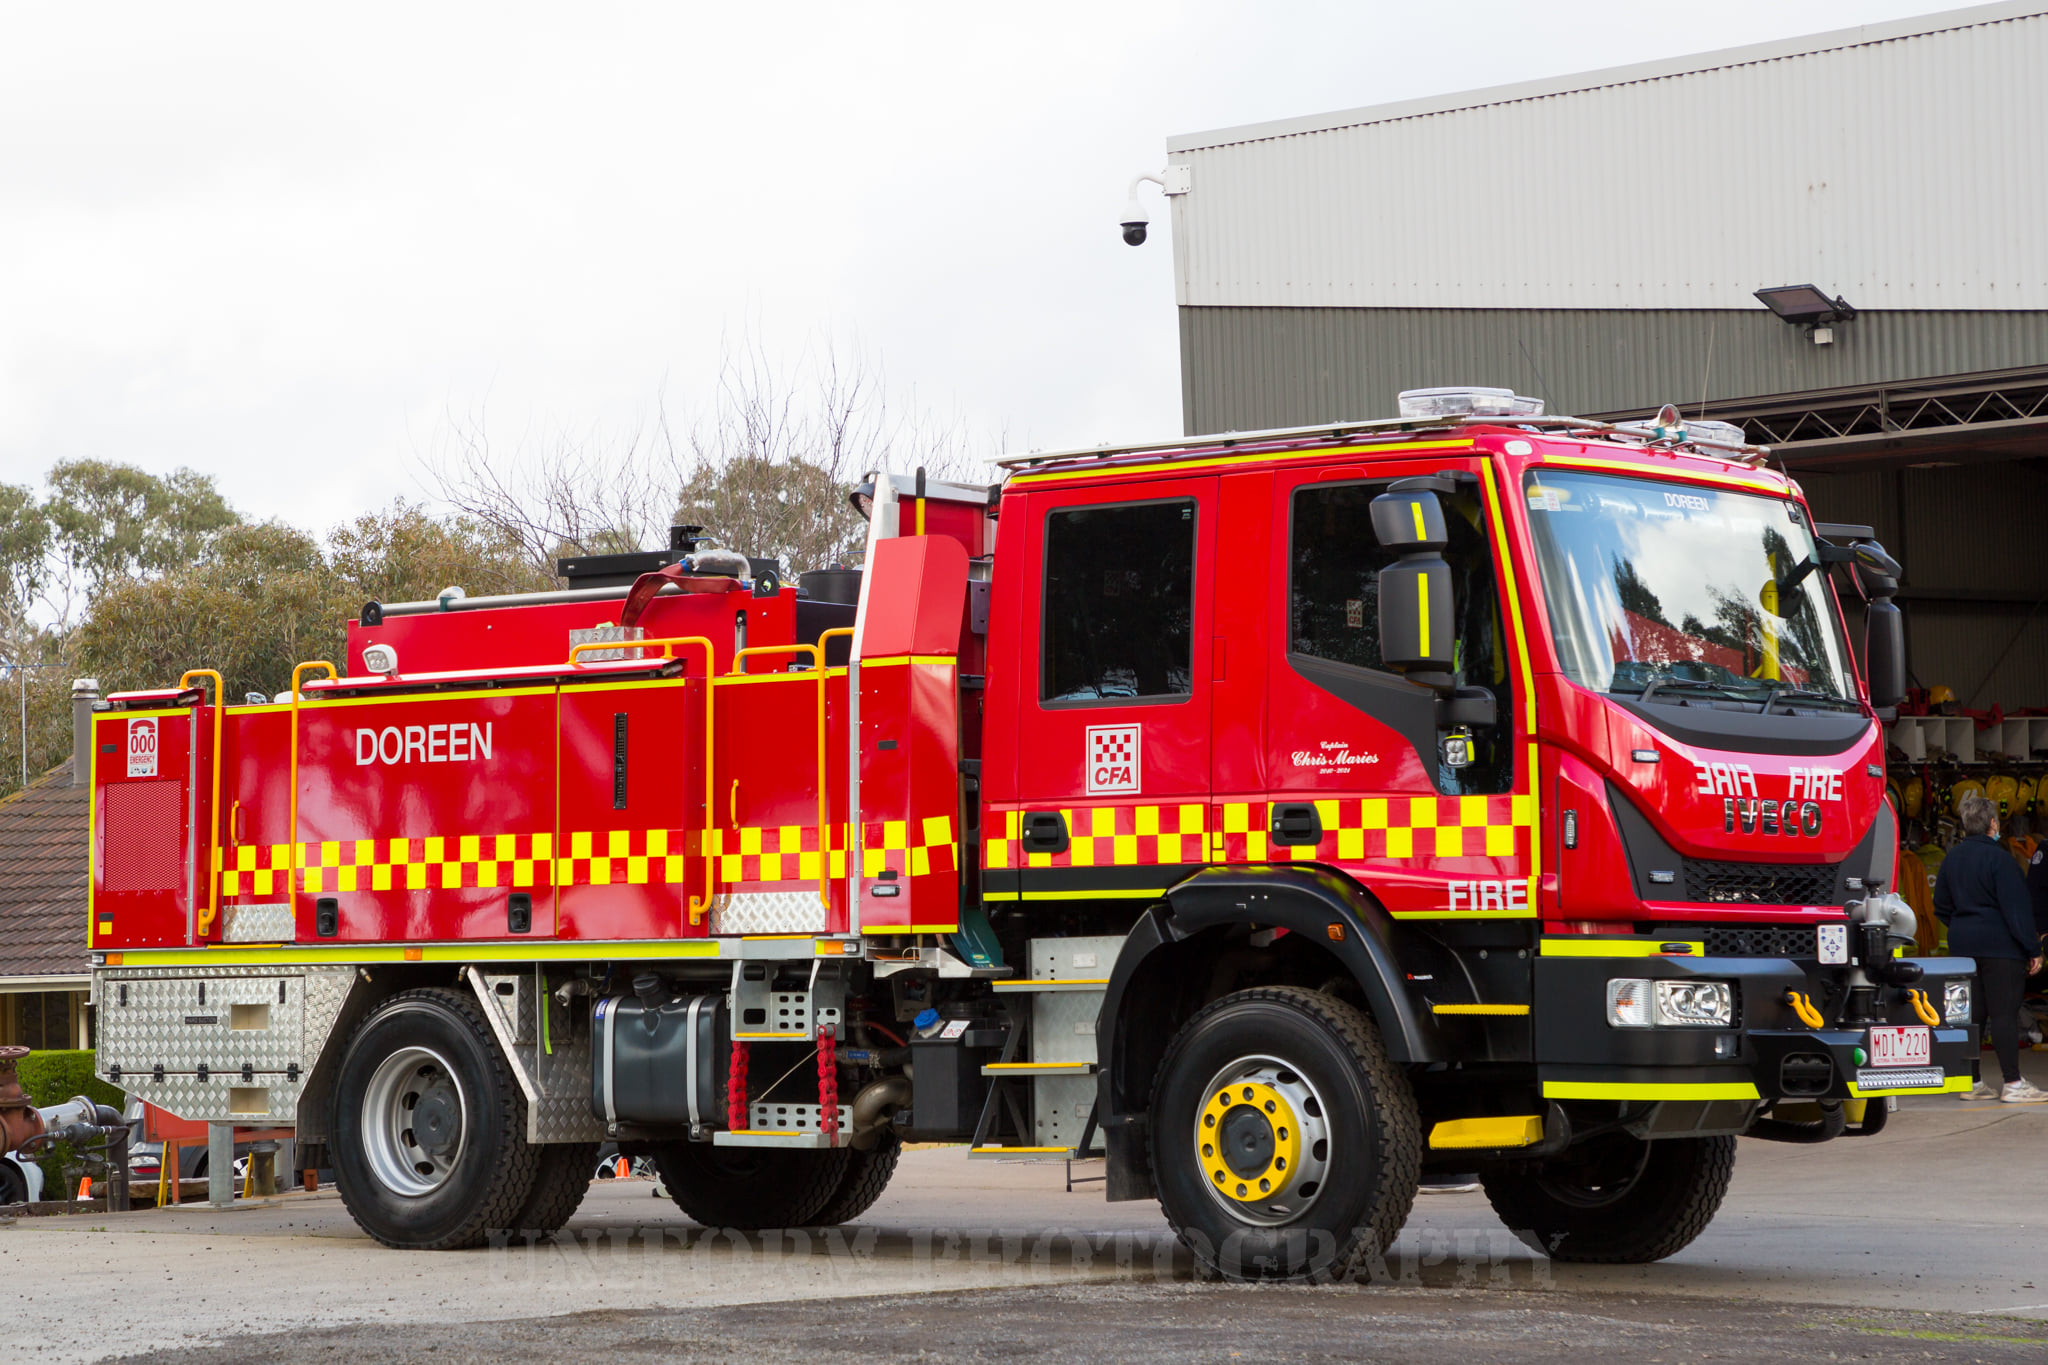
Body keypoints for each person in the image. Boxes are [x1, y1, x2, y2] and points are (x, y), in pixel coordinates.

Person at [1935, 792, 2047, 1102]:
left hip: (1962, 947)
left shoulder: (1951, 859)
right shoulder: (2001, 859)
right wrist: (2032, 949)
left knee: (1970, 1016)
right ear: (1993, 823)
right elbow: (2016, 909)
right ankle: (2012, 1083)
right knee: (2003, 1015)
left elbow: (1940, 905)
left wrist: (1962, 924)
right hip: (2000, 948)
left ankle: (1970, 1082)